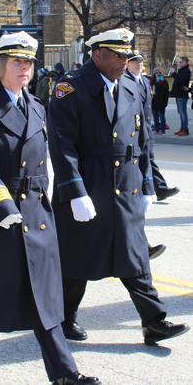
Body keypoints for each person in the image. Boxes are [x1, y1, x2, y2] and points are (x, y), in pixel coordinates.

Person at [0, 32, 100, 385]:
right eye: (18, 62)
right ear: (0, 66)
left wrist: (72, 194)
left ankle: (64, 374)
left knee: (45, 295)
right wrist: (0, 206)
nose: (26, 68)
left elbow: (49, 161)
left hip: (36, 212)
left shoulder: (36, 105)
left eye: (30, 62)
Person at [48, 28, 190, 345]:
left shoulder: (131, 85)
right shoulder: (70, 88)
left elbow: (144, 140)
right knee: (77, 256)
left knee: (135, 254)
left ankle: (154, 320)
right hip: (89, 180)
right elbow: (62, 145)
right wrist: (74, 191)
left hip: (126, 183)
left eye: (127, 55)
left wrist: (149, 183)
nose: (125, 61)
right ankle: (63, 318)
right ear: (97, 55)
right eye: (117, 54)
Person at [125, 53, 179, 204]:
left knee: (148, 158)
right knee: (138, 160)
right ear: (127, 64)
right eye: (135, 62)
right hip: (133, 130)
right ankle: (156, 188)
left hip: (146, 128)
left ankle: (159, 188)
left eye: (141, 61)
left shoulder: (145, 80)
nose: (139, 64)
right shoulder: (124, 81)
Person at [168, 56, 191, 136]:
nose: (179, 63)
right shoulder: (182, 71)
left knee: (183, 112)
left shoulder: (186, 71)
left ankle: (185, 128)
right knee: (181, 112)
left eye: (180, 62)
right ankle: (182, 128)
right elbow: (178, 79)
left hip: (182, 94)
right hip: (179, 94)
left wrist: (174, 73)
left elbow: (180, 80)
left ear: (185, 62)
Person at [151, 68, 169, 136]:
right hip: (154, 101)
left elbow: (164, 91)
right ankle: (157, 129)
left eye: (159, 72)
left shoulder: (163, 82)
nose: (158, 74)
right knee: (155, 117)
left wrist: (160, 82)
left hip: (161, 102)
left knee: (161, 116)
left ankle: (163, 130)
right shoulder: (153, 82)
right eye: (156, 73)